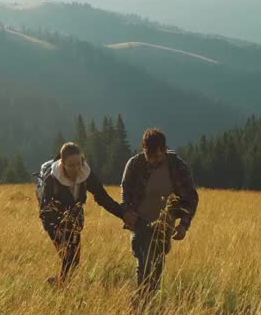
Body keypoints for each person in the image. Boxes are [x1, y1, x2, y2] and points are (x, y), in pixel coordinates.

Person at [39, 142, 134, 285]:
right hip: (55, 222)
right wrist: (57, 231)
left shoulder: (86, 174)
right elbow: (45, 211)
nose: (76, 168)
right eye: (71, 165)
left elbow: (103, 197)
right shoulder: (52, 179)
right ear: (62, 164)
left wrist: (123, 214)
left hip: (75, 219)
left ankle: (59, 284)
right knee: (69, 256)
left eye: (78, 163)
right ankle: (61, 285)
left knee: (73, 261)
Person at [121, 128, 199, 301]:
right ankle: (140, 303)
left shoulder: (178, 166)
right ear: (144, 151)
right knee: (144, 262)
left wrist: (184, 225)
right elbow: (125, 192)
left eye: (156, 157)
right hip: (140, 221)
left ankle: (150, 301)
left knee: (157, 265)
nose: (152, 161)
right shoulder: (134, 164)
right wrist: (127, 211)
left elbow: (191, 198)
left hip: (165, 223)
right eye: (149, 157)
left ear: (164, 150)